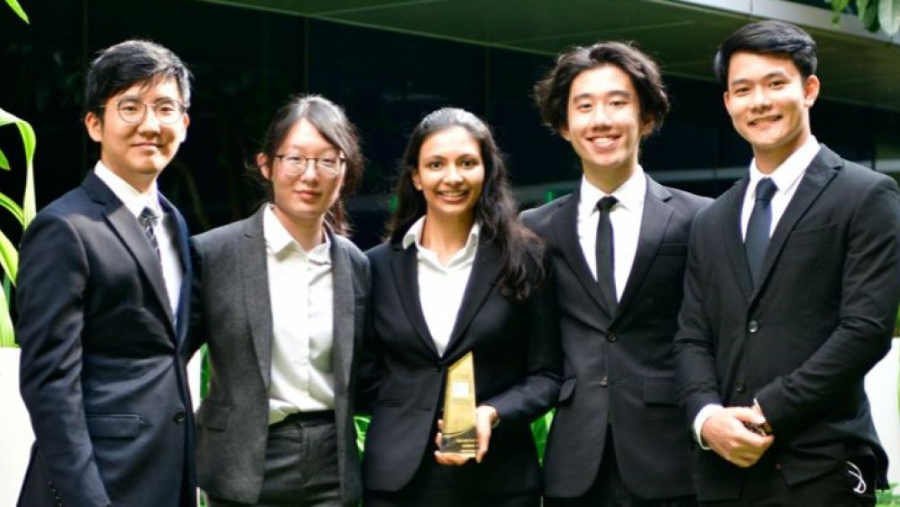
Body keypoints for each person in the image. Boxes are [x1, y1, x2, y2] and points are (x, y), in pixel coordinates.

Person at [674, 20, 900, 506]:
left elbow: (865, 329)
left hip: (820, 467)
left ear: (809, 89)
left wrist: (766, 411)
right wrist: (706, 418)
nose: (759, 102)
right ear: (728, 102)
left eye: (776, 84)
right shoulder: (712, 219)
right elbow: (691, 335)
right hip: (722, 475)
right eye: (743, 89)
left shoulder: (866, 196)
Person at [524, 41, 711, 507]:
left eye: (617, 103)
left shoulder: (699, 219)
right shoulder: (533, 230)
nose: (601, 119)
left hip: (672, 461)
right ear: (564, 126)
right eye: (584, 106)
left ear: (646, 118)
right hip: (574, 467)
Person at [15, 39, 195, 507]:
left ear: (184, 124)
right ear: (95, 124)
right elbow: (50, 384)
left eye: (165, 108)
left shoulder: (173, 221)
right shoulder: (63, 228)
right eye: (130, 107)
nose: (150, 125)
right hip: (96, 486)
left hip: (165, 477)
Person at [360, 107, 562, 507]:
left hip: (499, 482)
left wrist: (492, 412)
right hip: (398, 482)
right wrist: (409, 406)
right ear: (416, 176)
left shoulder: (526, 258)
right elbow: (364, 373)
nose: (452, 178)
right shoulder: (376, 266)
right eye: (436, 164)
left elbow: (548, 374)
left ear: (486, 171)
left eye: (467, 163)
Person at [188, 95, 369, 507]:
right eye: (296, 159)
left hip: (330, 466)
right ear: (267, 165)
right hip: (240, 462)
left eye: (327, 160)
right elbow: (170, 356)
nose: (311, 175)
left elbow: (370, 370)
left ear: (344, 172)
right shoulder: (214, 253)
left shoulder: (354, 264)